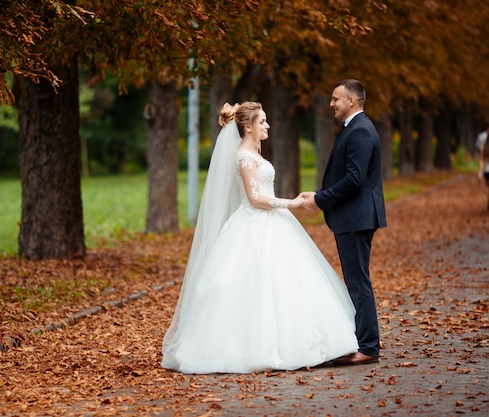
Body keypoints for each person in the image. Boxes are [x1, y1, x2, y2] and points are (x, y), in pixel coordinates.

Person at [161, 101, 359, 374]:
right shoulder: (244, 156)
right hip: (253, 223)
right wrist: (293, 203)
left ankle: (302, 341)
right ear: (248, 126)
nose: (267, 126)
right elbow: (255, 199)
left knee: (286, 282)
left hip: (274, 223)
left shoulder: (253, 155)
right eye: (262, 121)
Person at [301, 79, 387, 366]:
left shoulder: (361, 131)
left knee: (358, 282)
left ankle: (368, 347)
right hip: (354, 216)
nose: (331, 103)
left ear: (352, 100)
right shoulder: (355, 128)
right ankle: (364, 342)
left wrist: (320, 199)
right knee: (356, 280)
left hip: (356, 217)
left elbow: (354, 179)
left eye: (335, 98)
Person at [478, 135, 489, 210]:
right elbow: (481, 160)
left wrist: (480, 172)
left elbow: (481, 161)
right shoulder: (484, 148)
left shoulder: (484, 147)